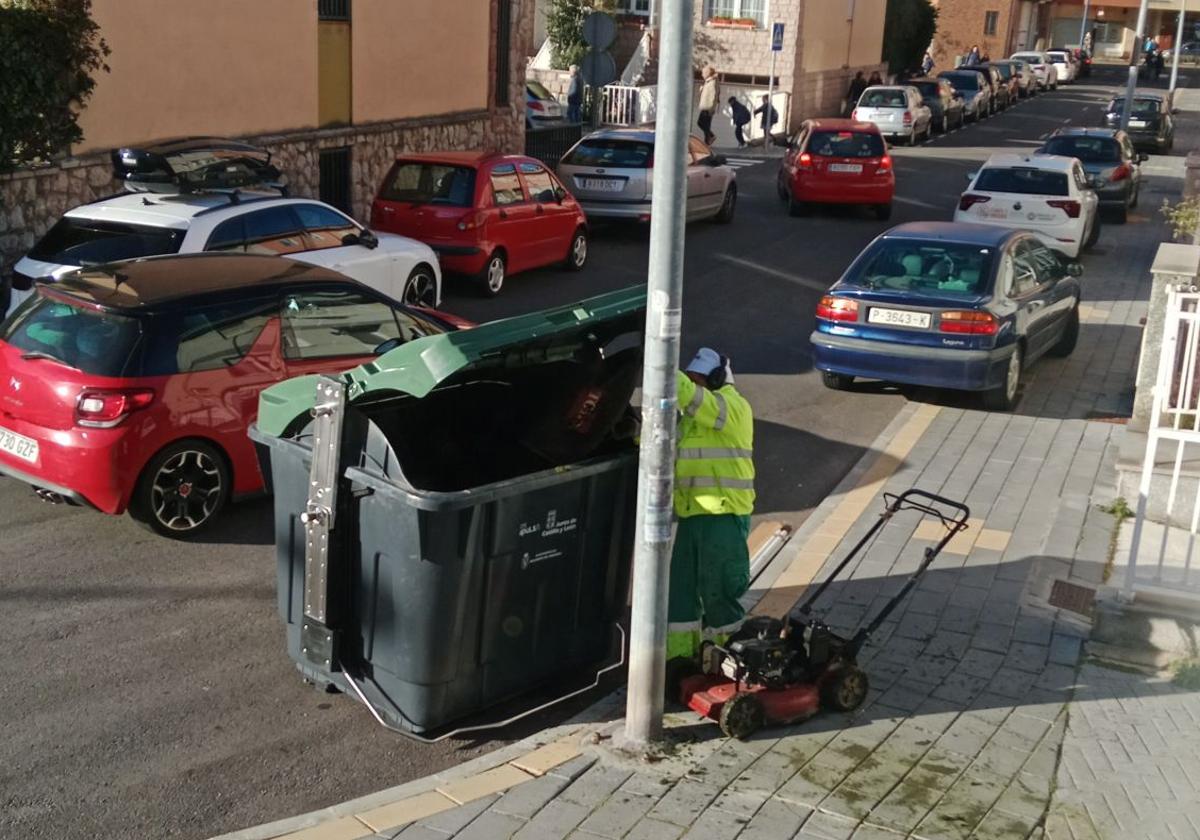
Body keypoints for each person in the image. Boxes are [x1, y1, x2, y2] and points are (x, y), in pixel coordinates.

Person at [666, 348, 756, 664]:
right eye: (691, 379)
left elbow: (687, 395)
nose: (694, 385)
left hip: (723, 515)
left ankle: (733, 661)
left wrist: (660, 360)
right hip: (693, 515)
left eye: (699, 379)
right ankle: (679, 659)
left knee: (720, 593)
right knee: (681, 592)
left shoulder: (731, 407)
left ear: (717, 380)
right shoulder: (693, 419)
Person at [697, 66, 719, 145]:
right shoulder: (708, 82)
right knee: (706, 125)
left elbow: (713, 96)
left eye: (703, 73)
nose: (702, 74)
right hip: (705, 106)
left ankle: (711, 137)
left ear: (708, 73)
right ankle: (707, 142)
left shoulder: (712, 82)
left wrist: (711, 109)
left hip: (707, 107)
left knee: (700, 123)